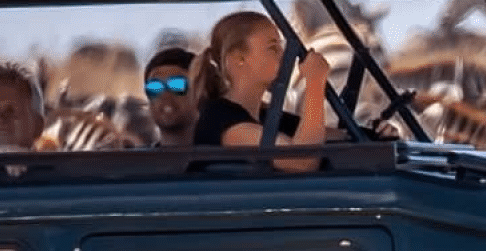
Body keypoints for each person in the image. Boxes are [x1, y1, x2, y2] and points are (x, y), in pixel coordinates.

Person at [189, 10, 340, 171]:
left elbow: (326, 135)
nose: (283, 55)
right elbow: (301, 161)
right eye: (273, 48)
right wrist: (315, 83)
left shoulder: (267, 117)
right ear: (239, 59)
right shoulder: (220, 118)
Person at [143, 47, 196, 147]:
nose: (165, 94)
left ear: (200, 92)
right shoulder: (137, 161)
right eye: (155, 87)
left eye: (177, 85)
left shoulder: (224, 157)